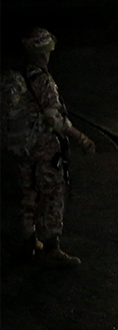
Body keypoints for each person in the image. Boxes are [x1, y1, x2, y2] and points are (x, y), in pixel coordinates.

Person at [1, 27, 95, 267]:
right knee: (53, 194)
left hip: (22, 147)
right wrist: (81, 138)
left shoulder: (16, 76)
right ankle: (52, 248)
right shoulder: (42, 79)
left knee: (27, 194)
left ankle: (28, 242)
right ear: (44, 52)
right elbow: (54, 119)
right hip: (44, 149)